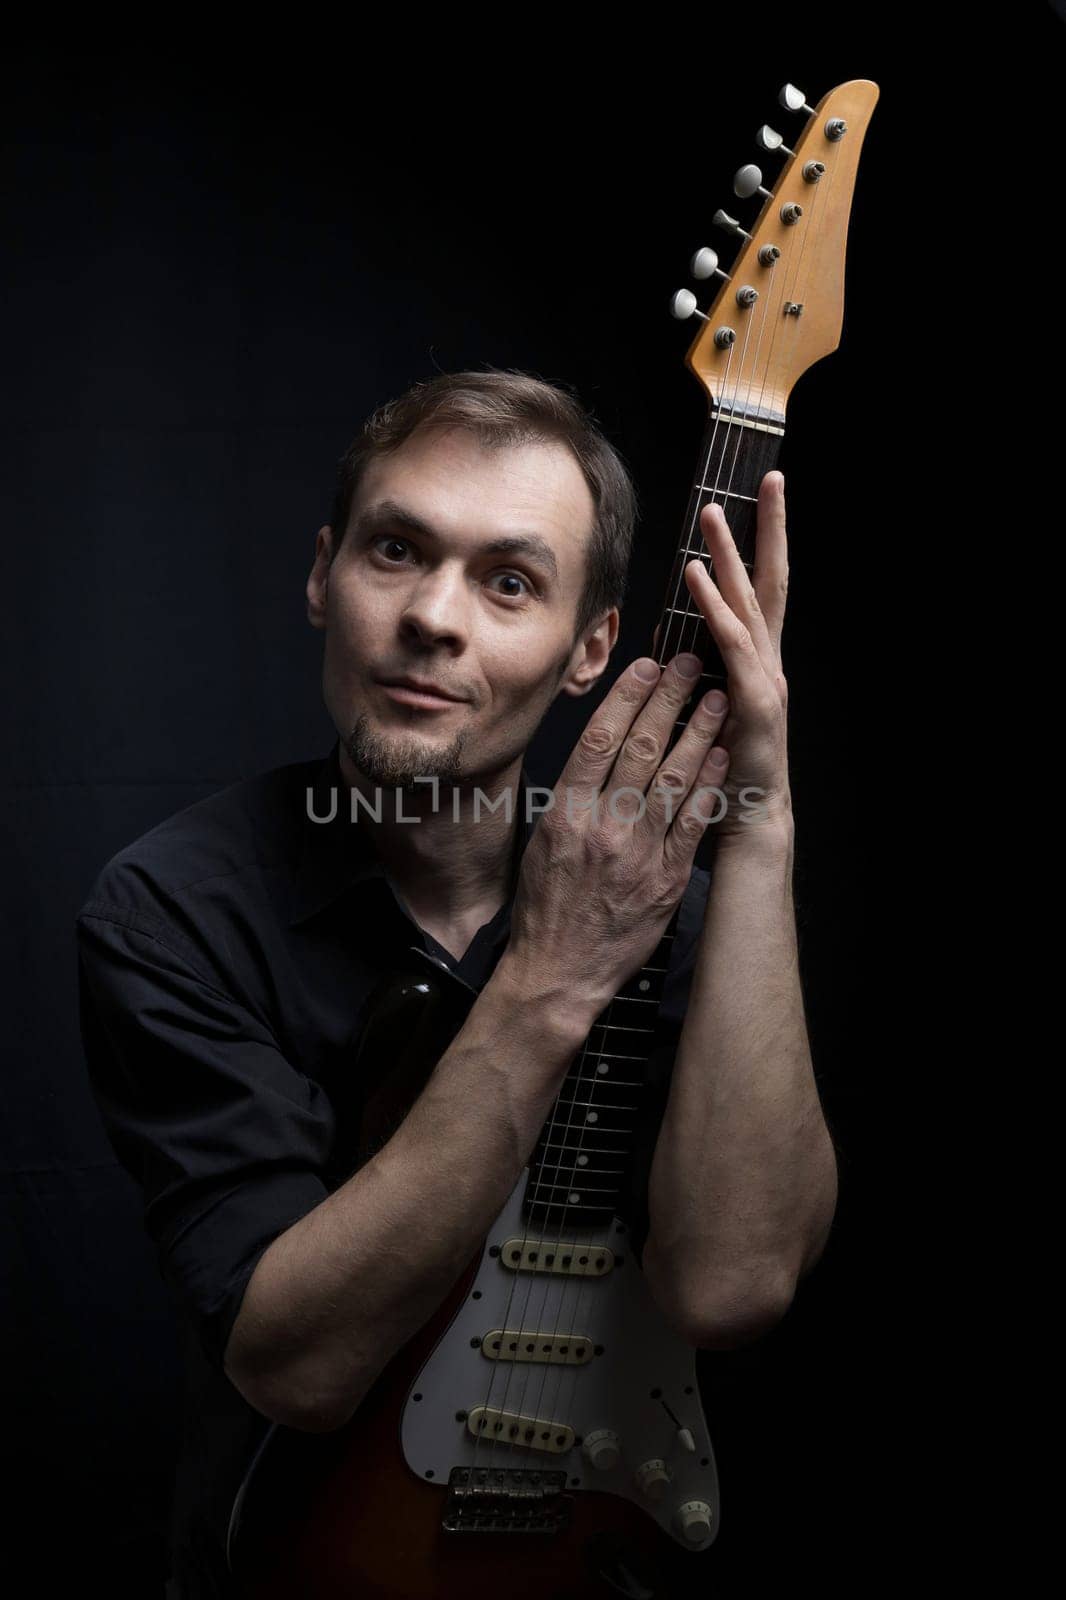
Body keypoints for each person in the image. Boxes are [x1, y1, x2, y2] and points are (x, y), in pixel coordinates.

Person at [74, 368, 837, 1597]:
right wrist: (553, 973)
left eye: (509, 581)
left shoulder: (666, 905)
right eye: (395, 550)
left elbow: (732, 1283)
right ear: (323, 574)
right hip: (310, 1557)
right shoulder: (171, 913)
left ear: (593, 648)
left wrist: (756, 826)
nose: (435, 615)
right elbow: (299, 1369)